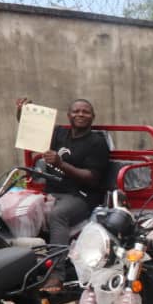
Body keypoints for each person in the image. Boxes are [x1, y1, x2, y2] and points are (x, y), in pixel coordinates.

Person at [14, 96, 111, 293]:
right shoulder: (59, 133)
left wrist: (60, 164)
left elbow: (91, 177)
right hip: (52, 192)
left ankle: (56, 276)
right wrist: (23, 111)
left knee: (58, 215)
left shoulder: (96, 142)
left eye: (85, 112)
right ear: (69, 115)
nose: (80, 115)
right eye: (76, 111)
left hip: (82, 196)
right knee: (13, 208)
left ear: (93, 116)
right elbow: (32, 128)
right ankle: (19, 268)